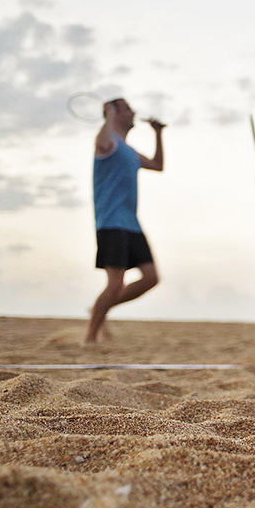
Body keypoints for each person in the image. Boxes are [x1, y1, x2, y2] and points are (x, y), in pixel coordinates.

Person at [85, 98, 165, 346]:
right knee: (115, 283)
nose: (134, 112)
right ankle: (90, 338)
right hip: (111, 222)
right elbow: (100, 143)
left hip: (131, 223)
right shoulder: (108, 143)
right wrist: (109, 114)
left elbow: (158, 165)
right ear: (114, 112)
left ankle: (100, 309)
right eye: (128, 109)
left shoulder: (129, 150)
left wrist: (158, 133)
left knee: (151, 277)